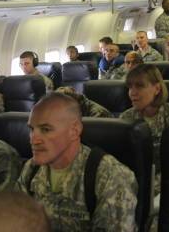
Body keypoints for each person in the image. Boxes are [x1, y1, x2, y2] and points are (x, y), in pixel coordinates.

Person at [17, 92, 138, 231]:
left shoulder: (110, 176)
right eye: (31, 129)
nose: (33, 139)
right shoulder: (31, 169)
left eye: (45, 129)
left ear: (74, 130)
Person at [120, 64, 169, 195]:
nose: (132, 92)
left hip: (166, 188)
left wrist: (147, 188)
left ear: (157, 89)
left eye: (139, 86)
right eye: (130, 87)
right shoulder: (126, 117)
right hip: (132, 185)